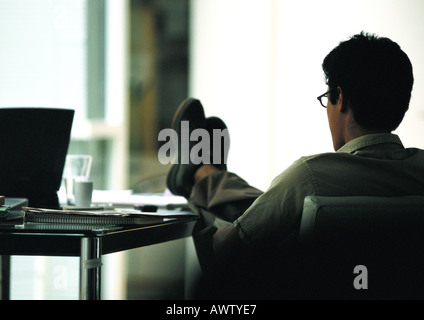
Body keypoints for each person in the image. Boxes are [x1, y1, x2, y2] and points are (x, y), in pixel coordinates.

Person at [166, 32, 424, 298]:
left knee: (252, 216)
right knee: (270, 205)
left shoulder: (310, 176)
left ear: (341, 98)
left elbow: (225, 251)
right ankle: (205, 171)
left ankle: (198, 173)